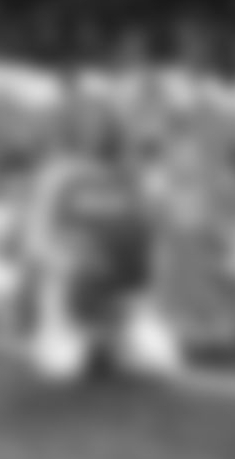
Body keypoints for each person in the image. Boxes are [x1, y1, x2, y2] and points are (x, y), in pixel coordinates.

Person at [21, 136, 184, 383]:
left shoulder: (141, 184)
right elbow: (38, 242)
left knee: (159, 364)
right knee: (62, 369)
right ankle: (89, 343)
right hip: (72, 291)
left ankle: (110, 346)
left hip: (124, 295)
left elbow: (153, 250)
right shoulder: (63, 178)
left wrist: (140, 294)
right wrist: (72, 262)